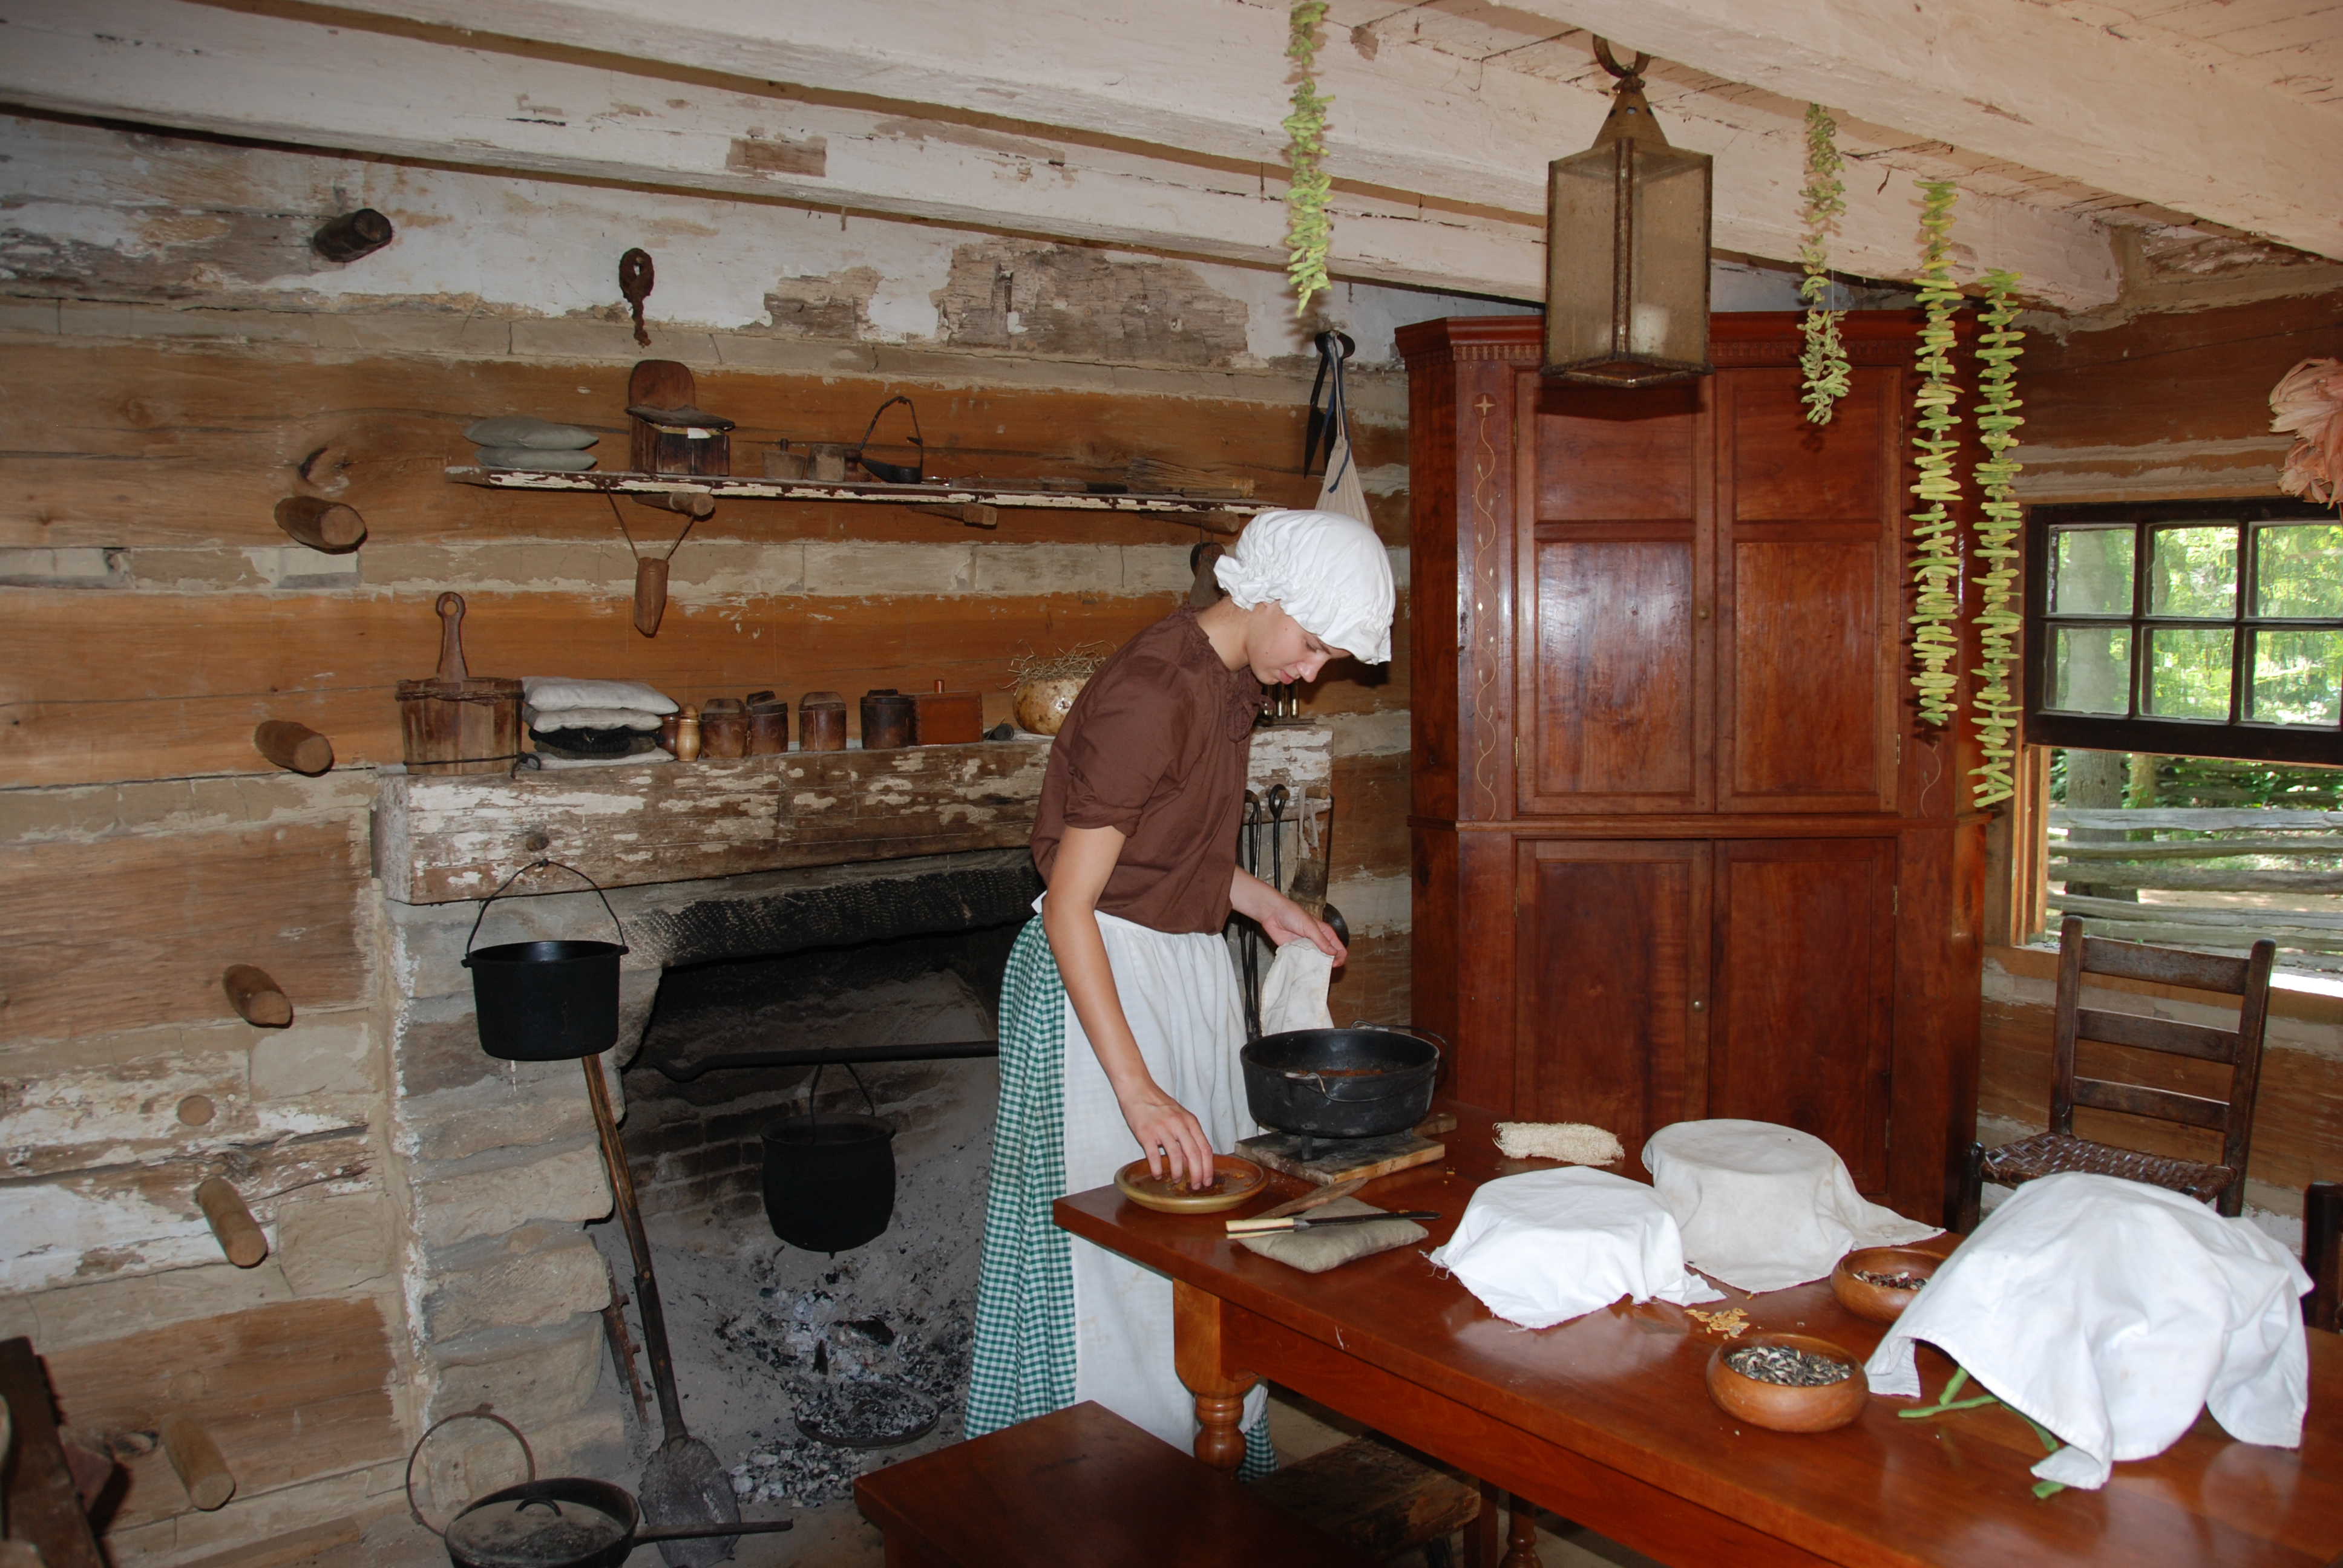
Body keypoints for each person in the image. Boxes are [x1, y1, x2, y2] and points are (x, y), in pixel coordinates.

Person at [963, 508, 1395, 1469]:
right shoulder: (1152, 693)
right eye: (1314, 644)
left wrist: (1265, 906)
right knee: (1115, 1259)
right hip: (1100, 978)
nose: (1313, 670)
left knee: (1201, 1233)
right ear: (1268, 594)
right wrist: (1139, 1090)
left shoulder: (1231, 680)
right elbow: (1071, 904)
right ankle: (1105, 1486)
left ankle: (1202, 1457)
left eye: (1330, 657)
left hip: (1175, 962)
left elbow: (1167, 845)